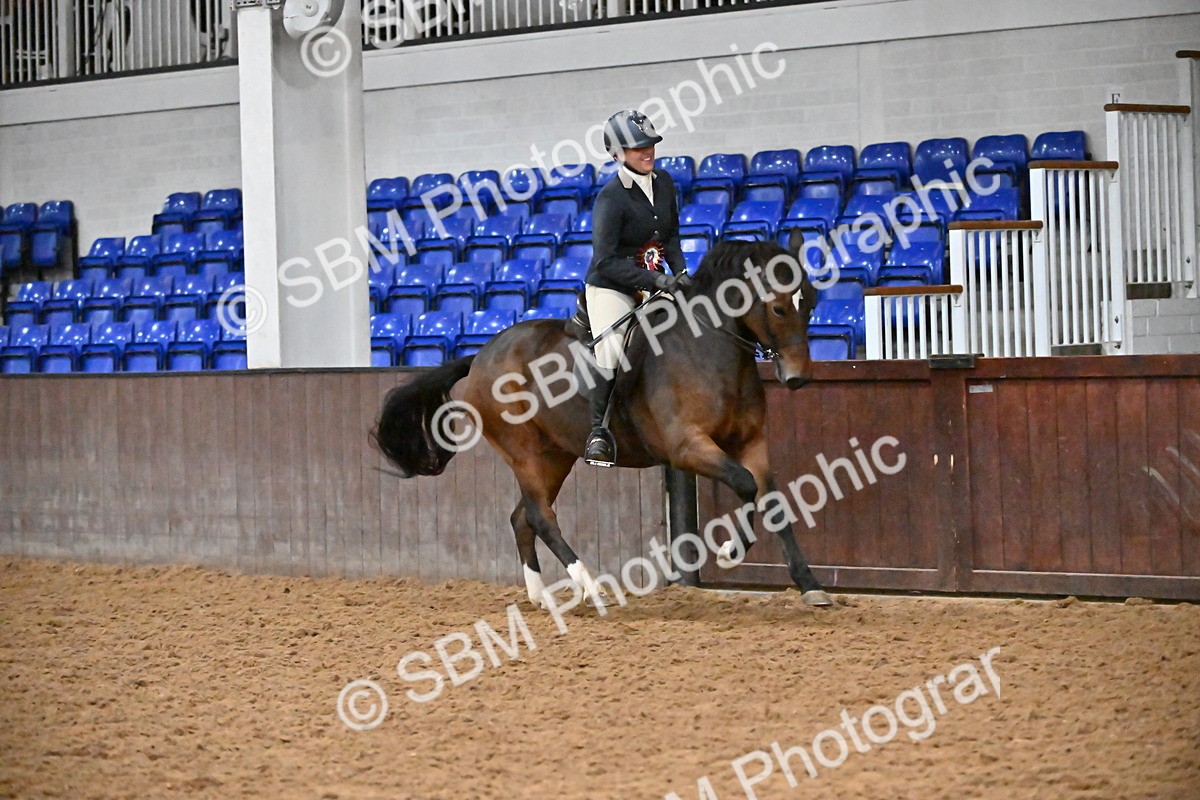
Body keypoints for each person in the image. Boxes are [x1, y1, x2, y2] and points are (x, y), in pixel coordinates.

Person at [583, 109, 693, 467]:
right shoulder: (610, 199)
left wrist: (681, 272)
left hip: (653, 281)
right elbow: (605, 261)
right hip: (611, 287)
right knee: (612, 349)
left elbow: (671, 235)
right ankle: (598, 432)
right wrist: (656, 280)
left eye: (649, 145)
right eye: (636, 148)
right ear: (617, 154)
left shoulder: (664, 182)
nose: (647, 152)